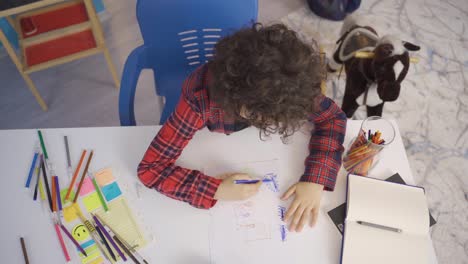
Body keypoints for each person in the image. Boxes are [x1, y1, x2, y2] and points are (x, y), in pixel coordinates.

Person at [138, 23, 346, 232]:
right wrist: (215, 189)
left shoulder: (290, 83)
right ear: (235, 97)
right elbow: (151, 169)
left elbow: (333, 119)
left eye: (276, 118)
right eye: (260, 116)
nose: (270, 123)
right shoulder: (200, 95)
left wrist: (315, 181)